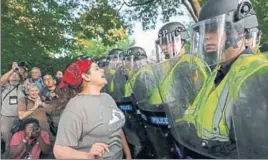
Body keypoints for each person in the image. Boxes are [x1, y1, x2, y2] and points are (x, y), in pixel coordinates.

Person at [175, 0, 268, 158]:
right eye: (203, 31)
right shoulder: (217, 72)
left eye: (213, 29)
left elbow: (254, 149)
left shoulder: (257, 73)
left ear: (239, 31)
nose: (206, 38)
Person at [53, 58, 131, 159]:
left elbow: (116, 128)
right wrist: (88, 156)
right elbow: (59, 151)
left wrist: (128, 154)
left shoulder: (107, 97)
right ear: (86, 76)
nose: (102, 70)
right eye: (97, 69)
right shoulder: (76, 107)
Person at [1, 62, 25, 154]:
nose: (14, 76)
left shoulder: (23, 87)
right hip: (6, 117)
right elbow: (2, 80)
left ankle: (20, 153)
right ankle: (8, 154)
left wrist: (19, 70)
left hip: (21, 117)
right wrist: (12, 70)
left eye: (16, 75)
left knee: (20, 138)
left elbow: (25, 79)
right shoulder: (4, 87)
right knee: (7, 138)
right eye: (12, 75)